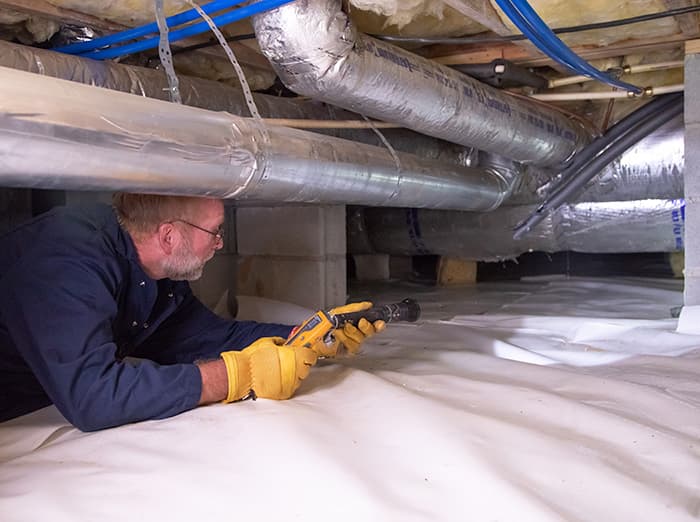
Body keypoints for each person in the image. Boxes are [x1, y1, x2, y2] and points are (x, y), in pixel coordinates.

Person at [0, 193, 384, 431]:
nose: (219, 243)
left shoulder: (157, 277)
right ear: (169, 236)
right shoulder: (67, 259)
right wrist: (235, 376)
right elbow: (95, 397)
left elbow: (211, 337)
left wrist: (312, 334)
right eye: (215, 231)